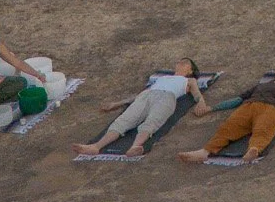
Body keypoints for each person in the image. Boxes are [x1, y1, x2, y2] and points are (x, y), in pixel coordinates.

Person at [177, 60, 275, 164]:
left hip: (272, 108)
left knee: (263, 129)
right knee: (228, 127)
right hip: (248, 106)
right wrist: (212, 108)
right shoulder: (263, 85)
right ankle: (204, 152)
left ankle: (254, 149)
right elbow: (238, 99)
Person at [74, 58, 208, 157]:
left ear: (190, 70)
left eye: (185, 63)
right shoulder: (163, 78)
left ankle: (136, 146)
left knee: (153, 121)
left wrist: (201, 102)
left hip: (167, 97)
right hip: (147, 95)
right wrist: (117, 104)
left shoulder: (189, 80)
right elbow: (139, 94)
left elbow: (196, 93)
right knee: (124, 120)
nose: (180, 64)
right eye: (179, 62)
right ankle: (96, 146)